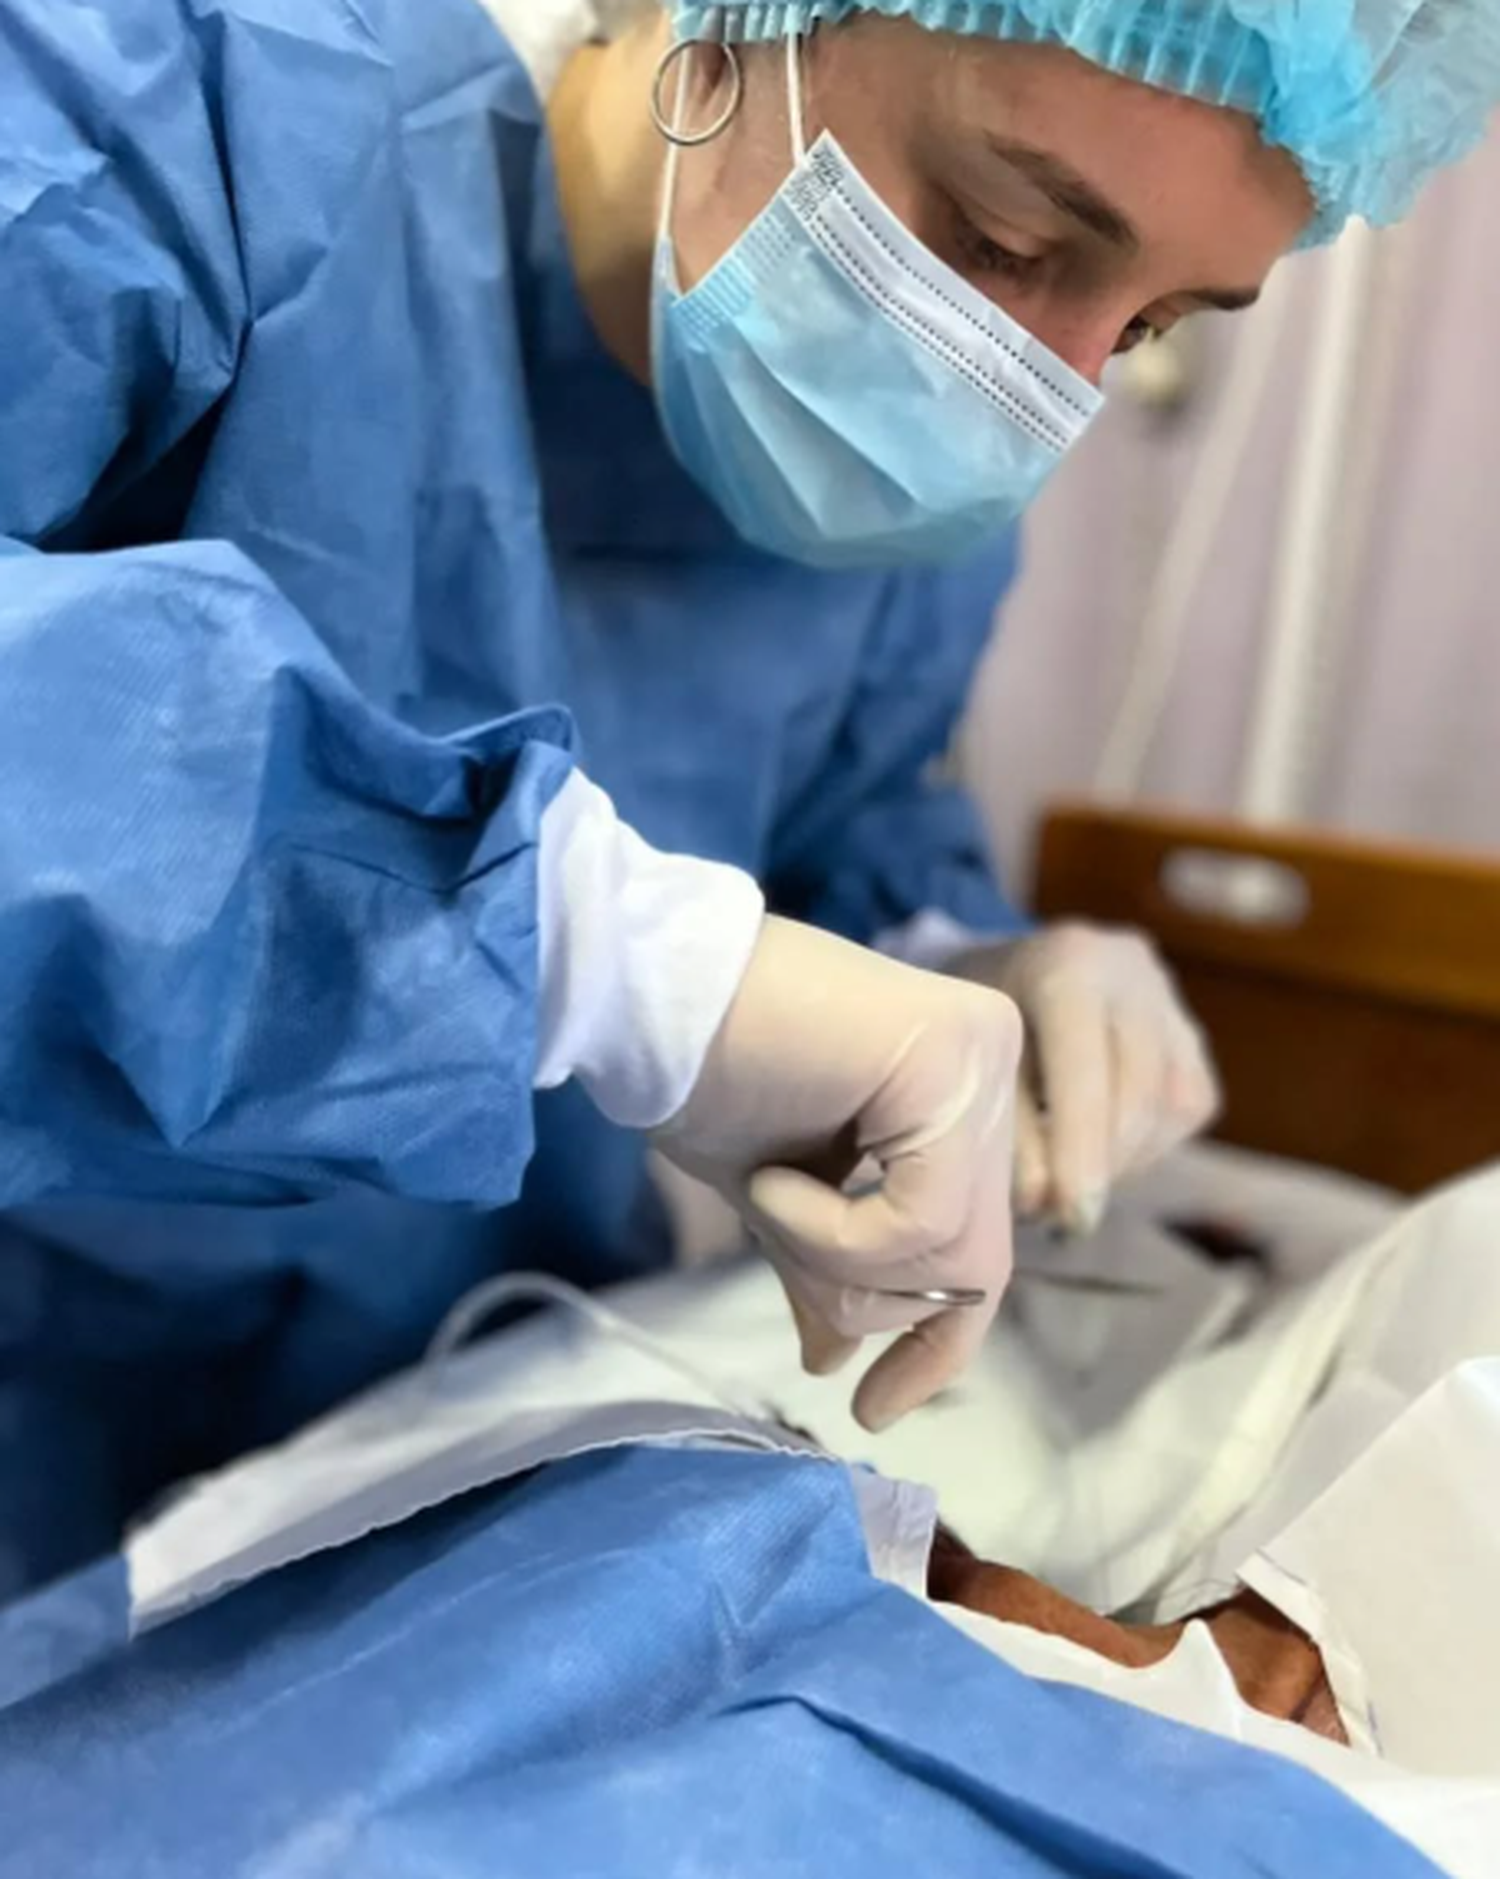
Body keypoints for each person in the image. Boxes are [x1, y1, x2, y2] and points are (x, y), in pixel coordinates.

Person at [1, 0, 1495, 1600]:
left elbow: (827, 819)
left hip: (437, 1462)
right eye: (999, 236)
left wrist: (952, 959)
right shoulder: (174, 109)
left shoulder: (899, 477)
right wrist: (587, 949)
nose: (1039, 396)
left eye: (1145, 330)